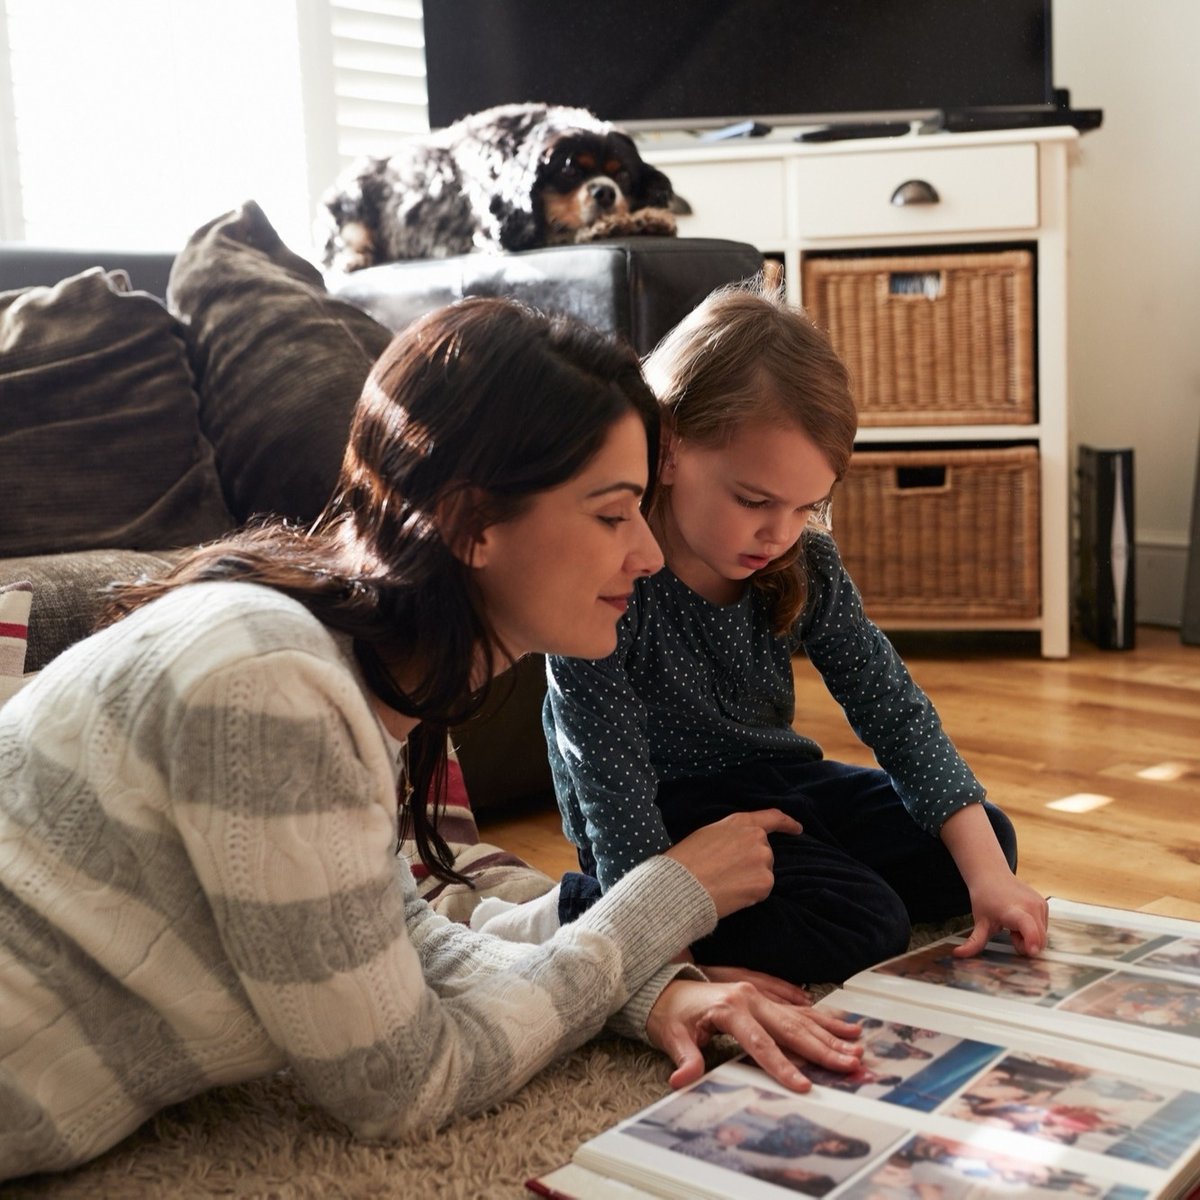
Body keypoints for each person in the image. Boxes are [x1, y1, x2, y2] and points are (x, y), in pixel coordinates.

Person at [0, 298, 866, 1183]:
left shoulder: (341, 678)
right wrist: (664, 898)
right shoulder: (267, 686)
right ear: (469, 523)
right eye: (613, 515)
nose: (648, 553)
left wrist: (649, 989)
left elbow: (400, 938)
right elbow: (402, 1081)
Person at [540, 281, 1048, 987]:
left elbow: (893, 710)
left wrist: (989, 877)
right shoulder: (609, 577)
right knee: (866, 925)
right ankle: (584, 912)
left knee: (983, 840)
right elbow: (607, 779)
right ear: (670, 447)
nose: (777, 533)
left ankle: (817, 881)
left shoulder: (801, 562)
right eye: (754, 501)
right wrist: (660, 946)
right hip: (661, 814)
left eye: (805, 507)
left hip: (779, 780)